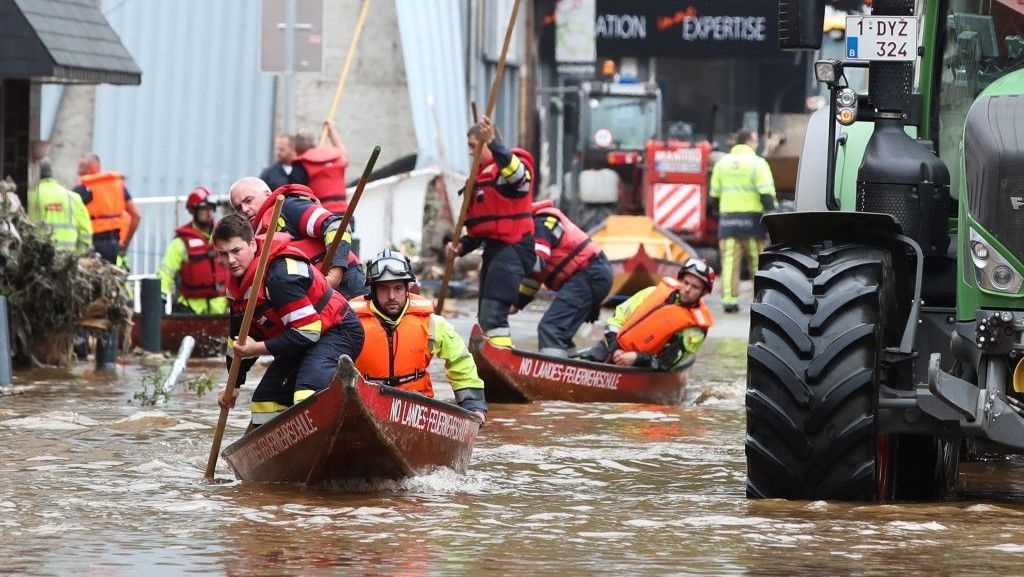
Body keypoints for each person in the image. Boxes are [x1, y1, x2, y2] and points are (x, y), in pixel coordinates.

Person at [213, 214, 364, 429]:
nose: (231, 261)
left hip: (336, 330)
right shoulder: (235, 286)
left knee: (306, 393)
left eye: (236, 251)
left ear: (252, 244)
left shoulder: (280, 275)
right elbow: (237, 342)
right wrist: (233, 385)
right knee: (264, 403)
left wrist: (258, 348)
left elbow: (307, 332)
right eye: (223, 254)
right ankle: (273, 456)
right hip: (297, 340)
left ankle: (328, 441)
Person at [351, 249, 488, 420]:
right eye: (384, 289)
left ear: (407, 289)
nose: (392, 296)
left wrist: (473, 405)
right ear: (372, 291)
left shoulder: (432, 323)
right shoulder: (351, 325)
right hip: (366, 407)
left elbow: (461, 361)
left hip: (417, 412)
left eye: (398, 288)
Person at [445, 115, 535, 347]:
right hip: (494, 250)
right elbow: (477, 232)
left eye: (474, 146)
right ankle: (491, 362)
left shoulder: (506, 171)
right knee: (484, 313)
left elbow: (519, 179)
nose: (469, 152)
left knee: (494, 311)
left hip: (514, 247)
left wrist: (495, 143)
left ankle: (502, 357)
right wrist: (460, 247)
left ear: (487, 143)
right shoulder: (477, 180)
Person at [228, 177, 367, 298]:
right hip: (315, 296)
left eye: (248, 200)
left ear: (267, 194)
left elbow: (336, 226)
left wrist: (334, 274)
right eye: (239, 208)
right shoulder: (253, 240)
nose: (245, 209)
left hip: (345, 281)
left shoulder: (288, 207)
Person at [514, 199, 612, 357]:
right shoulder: (534, 227)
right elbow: (534, 277)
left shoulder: (541, 223)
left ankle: (551, 377)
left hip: (589, 273)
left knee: (551, 328)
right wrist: (516, 304)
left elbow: (537, 263)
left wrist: (509, 260)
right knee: (561, 333)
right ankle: (573, 369)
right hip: (591, 273)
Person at [582, 258, 715, 371]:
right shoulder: (652, 293)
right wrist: (616, 348)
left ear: (703, 293)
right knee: (586, 360)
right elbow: (617, 318)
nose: (687, 289)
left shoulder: (696, 330)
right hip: (614, 347)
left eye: (695, 287)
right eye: (686, 283)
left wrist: (637, 358)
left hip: (646, 365)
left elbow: (666, 362)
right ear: (680, 280)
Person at [708, 129, 777, 313]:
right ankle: (761, 300)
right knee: (757, 262)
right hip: (753, 222)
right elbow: (766, 194)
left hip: (728, 221)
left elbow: (714, 195)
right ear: (750, 140)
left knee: (729, 261)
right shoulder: (757, 163)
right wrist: (773, 215)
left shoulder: (722, 163)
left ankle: (729, 300)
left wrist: (718, 212)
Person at [157, 186, 228, 315]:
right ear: (193, 210)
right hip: (190, 308)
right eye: (204, 208)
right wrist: (160, 297)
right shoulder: (180, 242)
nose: (209, 212)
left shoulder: (224, 236)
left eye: (211, 207)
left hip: (221, 309)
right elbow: (165, 272)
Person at [73, 153, 141, 267]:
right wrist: (125, 244)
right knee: (113, 280)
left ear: (89, 168)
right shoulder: (118, 186)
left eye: (81, 166)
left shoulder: (81, 190)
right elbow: (136, 216)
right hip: (114, 245)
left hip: (92, 246)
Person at [27, 158, 92, 254]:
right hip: (66, 262)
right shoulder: (73, 197)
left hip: (39, 260)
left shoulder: (30, 196)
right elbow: (86, 233)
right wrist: (78, 256)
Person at [294, 121, 349, 214]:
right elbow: (343, 154)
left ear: (296, 148)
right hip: (345, 214)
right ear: (314, 144)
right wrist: (332, 132)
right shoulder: (337, 158)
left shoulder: (301, 164)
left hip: (324, 216)